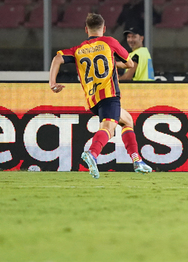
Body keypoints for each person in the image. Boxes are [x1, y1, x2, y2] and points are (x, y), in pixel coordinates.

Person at [49, 13, 152, 179]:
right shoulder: (109, 42)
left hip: (93, 100)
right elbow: (130, 63)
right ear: (104, 29)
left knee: (127, 120)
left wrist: (52, 83)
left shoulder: (78, 49)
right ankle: (92, 153)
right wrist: (113, 61)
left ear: (86, 30)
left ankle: (137, 160)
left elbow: (58, 58)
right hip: (109, 95)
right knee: (108, 129)